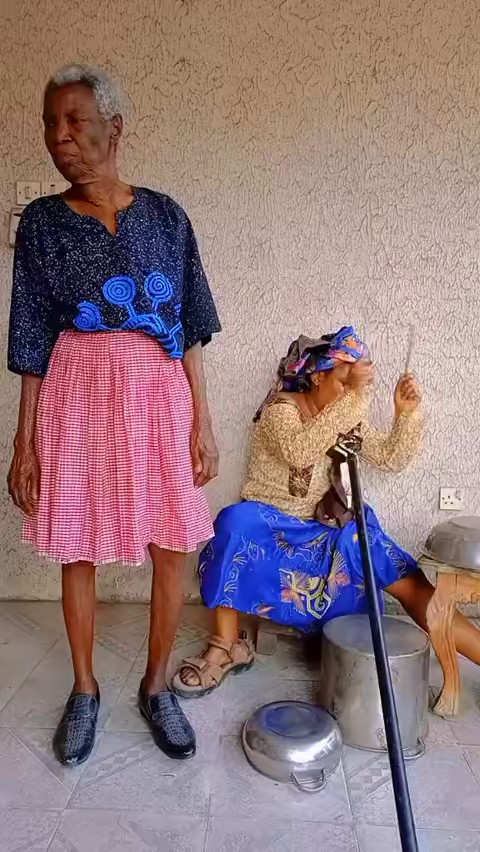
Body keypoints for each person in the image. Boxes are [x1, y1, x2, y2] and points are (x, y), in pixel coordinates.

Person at [7, 64, 221, 765]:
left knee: (172, 539)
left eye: (74, 121)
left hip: (159, 393)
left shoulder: (166, 216)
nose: (59, 137)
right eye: (50, 124)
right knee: (77, 541)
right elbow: (31, 337)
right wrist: (24, 443)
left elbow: (190, 326)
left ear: (114, 127)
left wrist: (203, 420)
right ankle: (85, 688)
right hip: (76, 391)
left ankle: (156, 686)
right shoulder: (42, 224)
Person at [172, 326, 480, 697]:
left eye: (354, 387)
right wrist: (355, 398)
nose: (350, 394)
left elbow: (390, 458)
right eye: (343, 382)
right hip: (273, 527)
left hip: (325, 528)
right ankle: (226, 647)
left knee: (399, 574)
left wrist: (406, 415)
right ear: (318, 377)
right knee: (234, 523)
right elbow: (300, 450)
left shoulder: (343, 416)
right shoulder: (280, 411)